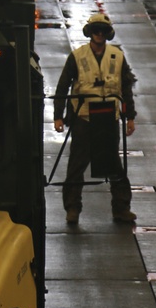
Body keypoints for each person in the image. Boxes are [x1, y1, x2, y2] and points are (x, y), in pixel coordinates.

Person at [52, 12, 137, 226]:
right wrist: (58, 117)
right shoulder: (78, 56)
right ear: (90, 33)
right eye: (96, 31)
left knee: (115, 165)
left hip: (109, 118)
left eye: (103, 31)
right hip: (83, 117)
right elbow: (62, 87)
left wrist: (130, 118)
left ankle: (121, 208)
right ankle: (72, 208)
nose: (99, 34)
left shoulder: (117, 56)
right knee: (77, 165)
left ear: (108, 34)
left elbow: (126, 87)